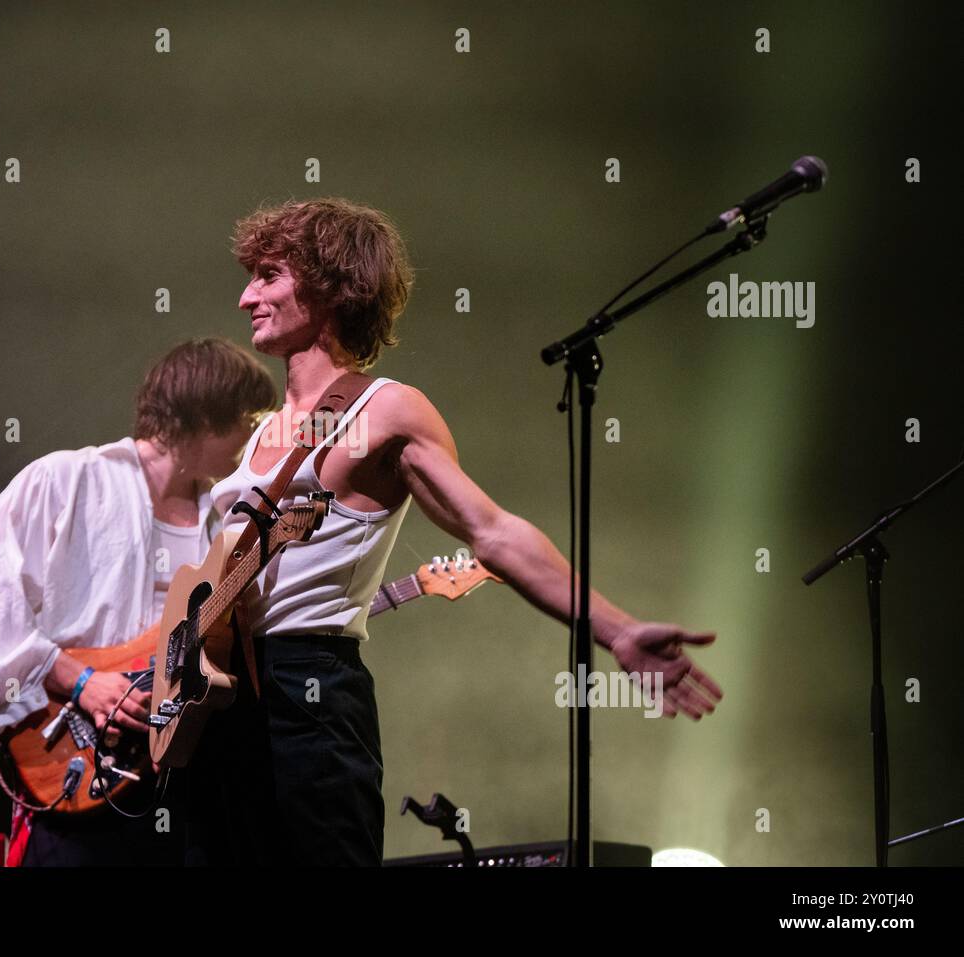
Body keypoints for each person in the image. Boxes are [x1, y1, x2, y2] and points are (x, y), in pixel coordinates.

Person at [183, 198, 725, 865]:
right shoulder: (260, 431)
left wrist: (613, 628)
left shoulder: (385, 409)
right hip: (224, 696)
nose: (246, 296)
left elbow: (493, 533)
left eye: (268, 275)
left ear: (329, 283)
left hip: (309, 689)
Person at [0, 337, 277, 865]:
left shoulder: (227, 521)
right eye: (249, 417)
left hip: (187, 789)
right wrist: (80, 680)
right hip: (76, 774)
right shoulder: (64, 481)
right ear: (205, 417)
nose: (254, 435)